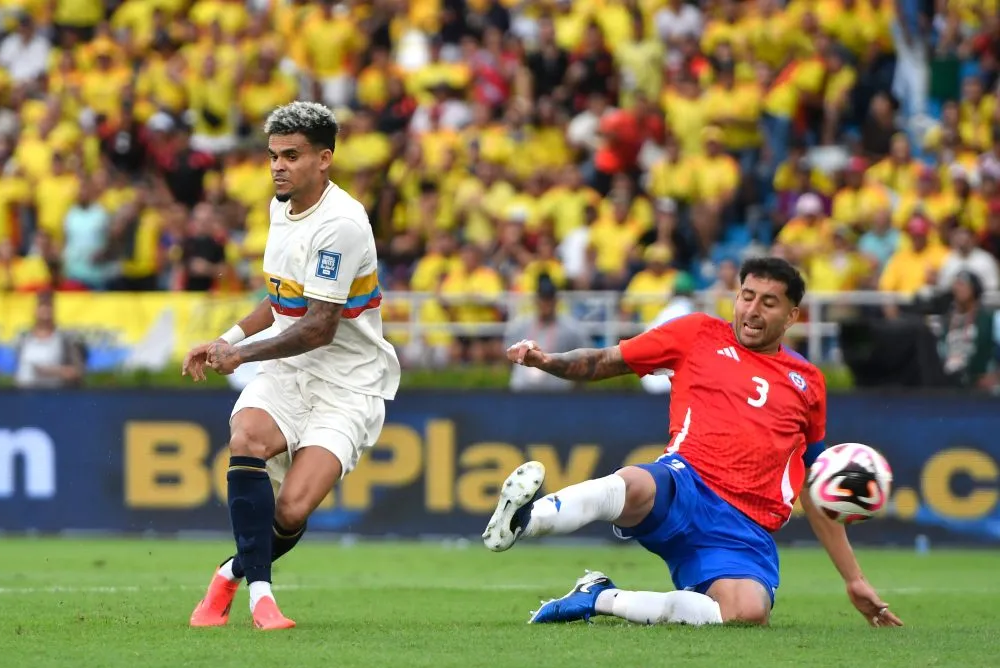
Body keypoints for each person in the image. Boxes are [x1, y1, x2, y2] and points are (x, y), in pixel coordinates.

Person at [485, 257, 902, 629]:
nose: (752, 310)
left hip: (743, 528)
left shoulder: (807, 382)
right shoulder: (698, 333)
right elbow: (606, 360)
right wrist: (547, 361)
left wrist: (854, 579)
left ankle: (599, 597)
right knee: (635, 483)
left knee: (747, 613)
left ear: (792, 315)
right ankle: (524, 520)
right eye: (747, 297)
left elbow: (814, 480)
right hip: (687, 484)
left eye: (768, 303)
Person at [181, 102, 401, 630]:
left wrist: (242, 356)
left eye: (292, 156)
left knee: (292, 511)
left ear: (324, 159)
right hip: (289, 371)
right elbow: (282, 298)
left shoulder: (342, 224)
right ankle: (262, 598)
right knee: (246, 436)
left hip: (348, 383)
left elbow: (320, 326)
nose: (278, 166)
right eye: (273, 155)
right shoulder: (280, 207)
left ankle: (229, 574)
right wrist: (228, 338)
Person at [503, 274, 590, 393]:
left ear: (556, 301)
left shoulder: (572, 329)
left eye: (549, 299)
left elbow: (584, 362)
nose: (546, 304)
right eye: (543, 299)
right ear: (536, 300)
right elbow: (508, 359)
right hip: (523, 393)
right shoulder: (519, 327)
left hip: (557, 394)